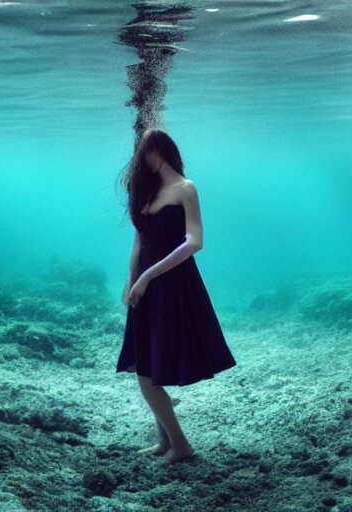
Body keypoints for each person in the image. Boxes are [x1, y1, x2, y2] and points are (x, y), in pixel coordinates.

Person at [116, 128, 237, 462]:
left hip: (171, 285)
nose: (141, 162)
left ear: (161, 150)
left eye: (145, 154)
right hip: (145, 288)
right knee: (147, 365)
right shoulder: (146, 193)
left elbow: (195, 242)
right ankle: (165, 441)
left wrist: (147, 277)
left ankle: (181, 444)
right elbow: (138, 242)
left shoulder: (186, 188)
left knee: (147, 377)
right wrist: (131, 280)